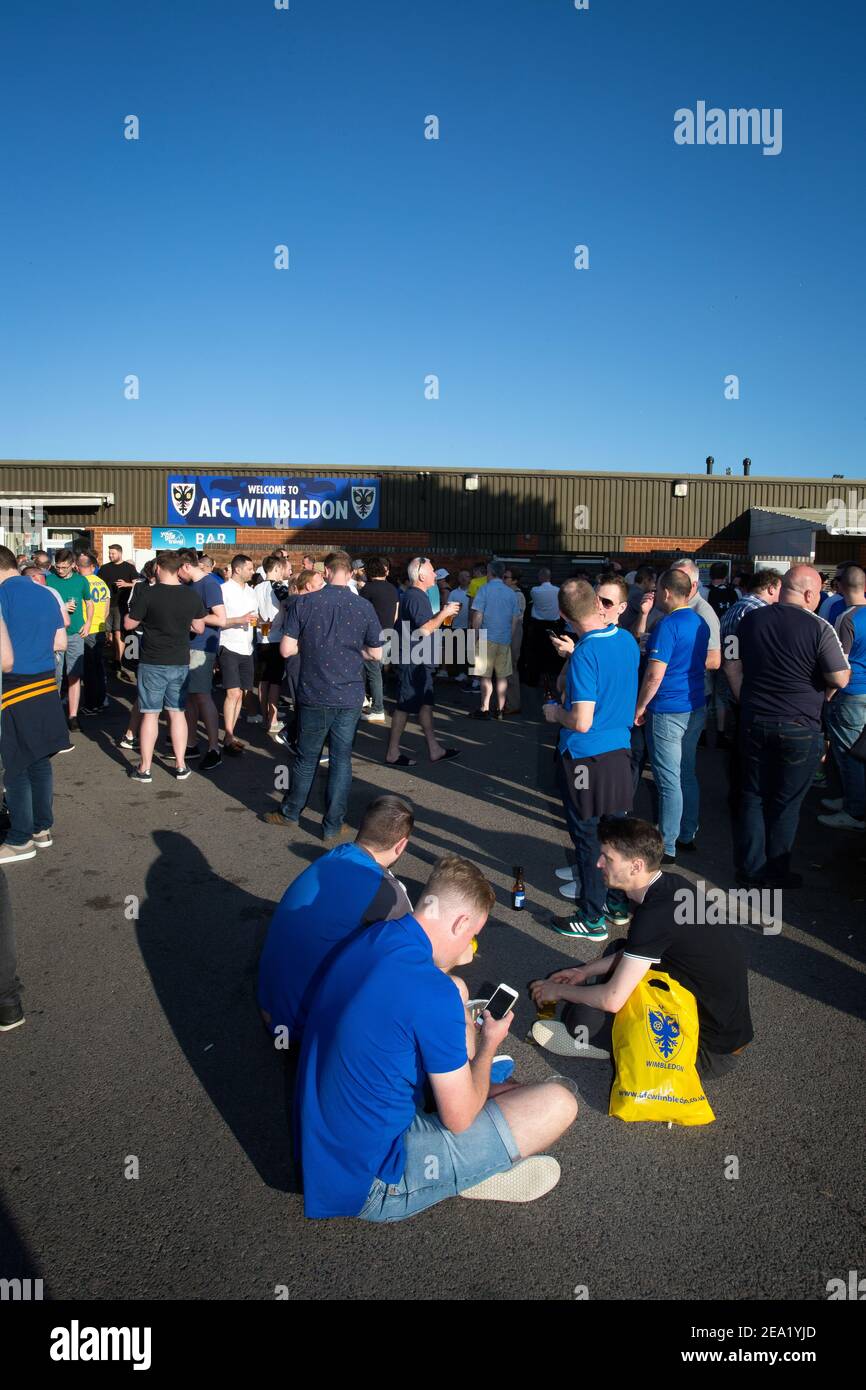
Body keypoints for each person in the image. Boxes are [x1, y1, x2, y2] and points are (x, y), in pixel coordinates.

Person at [296, 854, 578, 1220]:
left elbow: (415, 991)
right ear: (462, 922)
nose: (471, 944)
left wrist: (452, 982)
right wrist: (489, 1043)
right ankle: (467, 1174)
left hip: (323, 1144)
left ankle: (470, 1159)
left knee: (460, 994)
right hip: (372, 1181)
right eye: (473, 934)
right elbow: (459, 1119)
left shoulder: (374, 936)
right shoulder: (434, 995)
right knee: (558, 1102)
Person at [530, 816, 753, 1079]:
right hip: (728, 1032)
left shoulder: (654, 916)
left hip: (706, 1052)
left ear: (636, 866)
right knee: (618, 949)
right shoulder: (673, 885)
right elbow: (647, 948)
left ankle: (597, 1044)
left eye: (607, 858)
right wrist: (584, 971)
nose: (598, 863)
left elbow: (612, 1000)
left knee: (582, 1018)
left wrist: (559, 991)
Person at [725, 565, 849, 887]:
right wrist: (824, 694)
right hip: (800, 726)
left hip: (755, 721)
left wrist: (743, 698)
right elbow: (839, 676)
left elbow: (731, 662)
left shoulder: (749, 620)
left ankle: (750, 870)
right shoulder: (820, 627)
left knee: (753, 795)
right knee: (786, 802)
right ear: (809, 594)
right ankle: (777, 873)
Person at [258, 794, 415, 1044]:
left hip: (270, 1003)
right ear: (401, 845)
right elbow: (423, 956)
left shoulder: (334, 856)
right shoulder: (387, 891)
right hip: (302, 1028)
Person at [544, 579, 638, 940]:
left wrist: (555, 715)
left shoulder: (585, 653)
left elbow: (581, 720)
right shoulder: (626, 639)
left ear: (564, 615)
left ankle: (592, 916)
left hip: (586, 759)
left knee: (588, 837)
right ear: (598, 605)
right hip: (619, 752)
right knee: (616, 835)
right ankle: (616, 903)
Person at [268, 551, 382, 844]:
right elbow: (376, 653)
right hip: (350, 693)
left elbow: (286, 650)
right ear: (349, 572)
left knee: (307, 758)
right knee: (341, 760)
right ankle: (333, 824)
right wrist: (353, 650)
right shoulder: (363, 607)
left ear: (328, 571)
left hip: (314, 691)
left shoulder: (304, 603)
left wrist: (314, 646)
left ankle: (291, 812)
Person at [635, 568, 711, 864]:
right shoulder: (701, 622)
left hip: (668, 707)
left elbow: (655, 674)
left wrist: (640, 706)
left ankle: (667, 845)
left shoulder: (668, 625)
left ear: (667, 591)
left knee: (668, 780)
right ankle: (686, 833)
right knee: (686, 772)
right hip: (694, 705)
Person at [0, 545, 69, 864]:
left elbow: (6, 659)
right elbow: (60, 642)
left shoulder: (3, 597)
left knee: (15, 764)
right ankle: (41, 829)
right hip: (44, 680)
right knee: (39, 760)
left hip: (14, 686)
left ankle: (20, 838)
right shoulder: (46, 593)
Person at [124, 551, 206, 783]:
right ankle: (180, 765)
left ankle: (145, 768)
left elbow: (129, 623)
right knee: (177, 713)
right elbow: (199, 628)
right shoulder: (190, 596)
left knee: (150, 714)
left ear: (159, 567)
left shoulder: (148, 593)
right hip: (179, 660)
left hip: (152, 660)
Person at [385, 557, 461, 767]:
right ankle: (392, 752)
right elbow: (424, 629)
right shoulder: (416, 596)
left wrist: (440, 614)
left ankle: (434, 748)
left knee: (425, 704)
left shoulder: (417, 595)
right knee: (404, 705)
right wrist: (444, 613)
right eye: (432, 571)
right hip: (412, 660)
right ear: (421, 576)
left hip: (418, 659)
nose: (436, 575)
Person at [818, 567, 866, 830]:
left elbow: (840, 665)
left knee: (849, 752)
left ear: (841, 587)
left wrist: (827, 694)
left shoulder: (847, 618)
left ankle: (854, 810)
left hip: (850, 694)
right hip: (863, 691)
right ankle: (849, 799)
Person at [176, 548, 226, 771]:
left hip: (202, 648)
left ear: (186, 566)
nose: (177, 575)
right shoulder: (190, 586)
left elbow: (221, 618)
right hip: (187, 646)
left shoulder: (209, 584)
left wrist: (192, 616)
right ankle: (192, 743)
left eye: (179, 570)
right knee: (189, 697)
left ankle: (214, 748)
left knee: (202, 696)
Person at [46, 548, 93, 733]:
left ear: (73, 565)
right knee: (55, 676)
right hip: (55, 634)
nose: (60, 570)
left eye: (64, 567)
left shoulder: (81, 580)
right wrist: (62, 608)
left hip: (75, 633)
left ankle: (73, 716)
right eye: (58, 567)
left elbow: (89, 603)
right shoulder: (49, 579)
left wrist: (88, 623)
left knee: (74, 675)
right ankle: (54, 715)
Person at [218, 555, 259, 755]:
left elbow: (253, 617)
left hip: (247, 646)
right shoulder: (223, 590)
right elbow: (219, 621)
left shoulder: (252, 592)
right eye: (250, 569)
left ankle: (231, 733)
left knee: (242, 692)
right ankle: (227, 735)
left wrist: (256, 621)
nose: (253, 572)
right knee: (232, 693)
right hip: (229, 645)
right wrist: (238, 620)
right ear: (237, 569)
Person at [469, 562, 520, 719]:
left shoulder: (484, 590)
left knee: (485, 676)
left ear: (490, 572)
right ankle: (500, 709)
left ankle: (485, 708)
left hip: (486, 636)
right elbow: (515, 619)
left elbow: (477, 616)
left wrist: (474, 635)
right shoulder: (511, 593)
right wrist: (509, 637)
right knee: (502, 676)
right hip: (504, 638)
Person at [252, 554, 288, 737]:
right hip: (276, 638)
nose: (283, 572)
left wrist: (260, 622)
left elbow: (252, 614)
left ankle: (265, 715)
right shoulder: (279, 587)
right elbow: (289, 606)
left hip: (261, 638)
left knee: (263, 679)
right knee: (275, 680)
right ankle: (272, 721)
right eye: (282, 569)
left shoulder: (256, 588)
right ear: (276, 568)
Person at [359, 557, 398, 723]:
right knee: (378, 671)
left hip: (372, 635)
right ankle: (367, 700)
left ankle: (377, 708)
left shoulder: (367, 589)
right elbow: (395, 613)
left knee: (373, 672)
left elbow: (362, 614)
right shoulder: (392, 588)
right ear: (385, 571)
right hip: (389, 632)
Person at [75, 551, 111, 715]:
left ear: (76, 567)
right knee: (98, 667)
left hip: (86, 629)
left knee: (89, 670)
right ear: (93, 566)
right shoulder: (101, 582)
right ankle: (101, 700)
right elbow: (106, 608)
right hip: (100, 628)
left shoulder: (80, 582)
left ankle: (91, 704)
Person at [98, 544, 140, 680]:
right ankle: (109, 657)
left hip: (120, 605)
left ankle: (118, 660)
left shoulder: (129, 568)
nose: (111, 555)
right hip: (105, 604)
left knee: (118, 632)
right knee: (107, 633)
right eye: (109, 553)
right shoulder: (104, 568)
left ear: (120, 553)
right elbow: (98, 584)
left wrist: (126, 584)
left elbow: (138, 584)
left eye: (113, 553)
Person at [527, 567, 562, 688]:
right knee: (553, 652)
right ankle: (552, 679)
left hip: (538, 625)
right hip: (554, 625)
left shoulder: (534, 590)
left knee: (536, 653)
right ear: (550, 577)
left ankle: (534, 680)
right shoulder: (558, 591)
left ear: (540, 577)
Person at [502, 567, 526, 713]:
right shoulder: (507, 593)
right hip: (507, 631)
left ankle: (513, 704)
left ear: (515, 580)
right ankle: (506, 703)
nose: (503, 580)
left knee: (510, 669)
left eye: (506, 577)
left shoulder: (518, 595)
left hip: (512, 632)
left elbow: (515, 619)